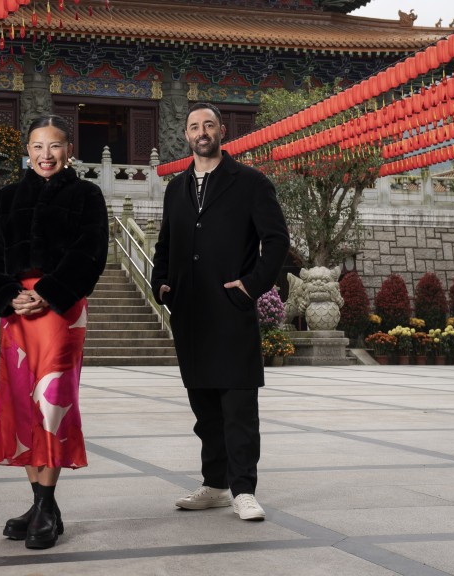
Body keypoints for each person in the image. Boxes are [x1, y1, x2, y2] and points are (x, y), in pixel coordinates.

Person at [151, 103, 289, 521]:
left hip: (231, 311)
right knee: (205, 408)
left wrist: (250, 286)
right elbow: (164, 244)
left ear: (222, 131)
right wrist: (161, 282)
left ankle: (243, 489)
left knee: (238, 406)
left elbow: (276, 241)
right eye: (194, 126)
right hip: (190, 313)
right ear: (186, 135)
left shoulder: (250, 183)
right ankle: (214, 484)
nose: (202, 132)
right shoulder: (176, 189)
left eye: (208, 125)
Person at [0, 115, 108, 549]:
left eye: (54, 146)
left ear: (68, 150)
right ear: (27, 151)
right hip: (16, 311)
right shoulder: (6, 197)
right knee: (20, 402)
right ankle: (42, 506)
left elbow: (91, 252)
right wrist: (8, 294)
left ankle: (46, 504)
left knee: (52, 402)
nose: (45, 155)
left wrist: (49, 293)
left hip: (61, 310)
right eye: (37, 146)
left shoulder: (87, 195)